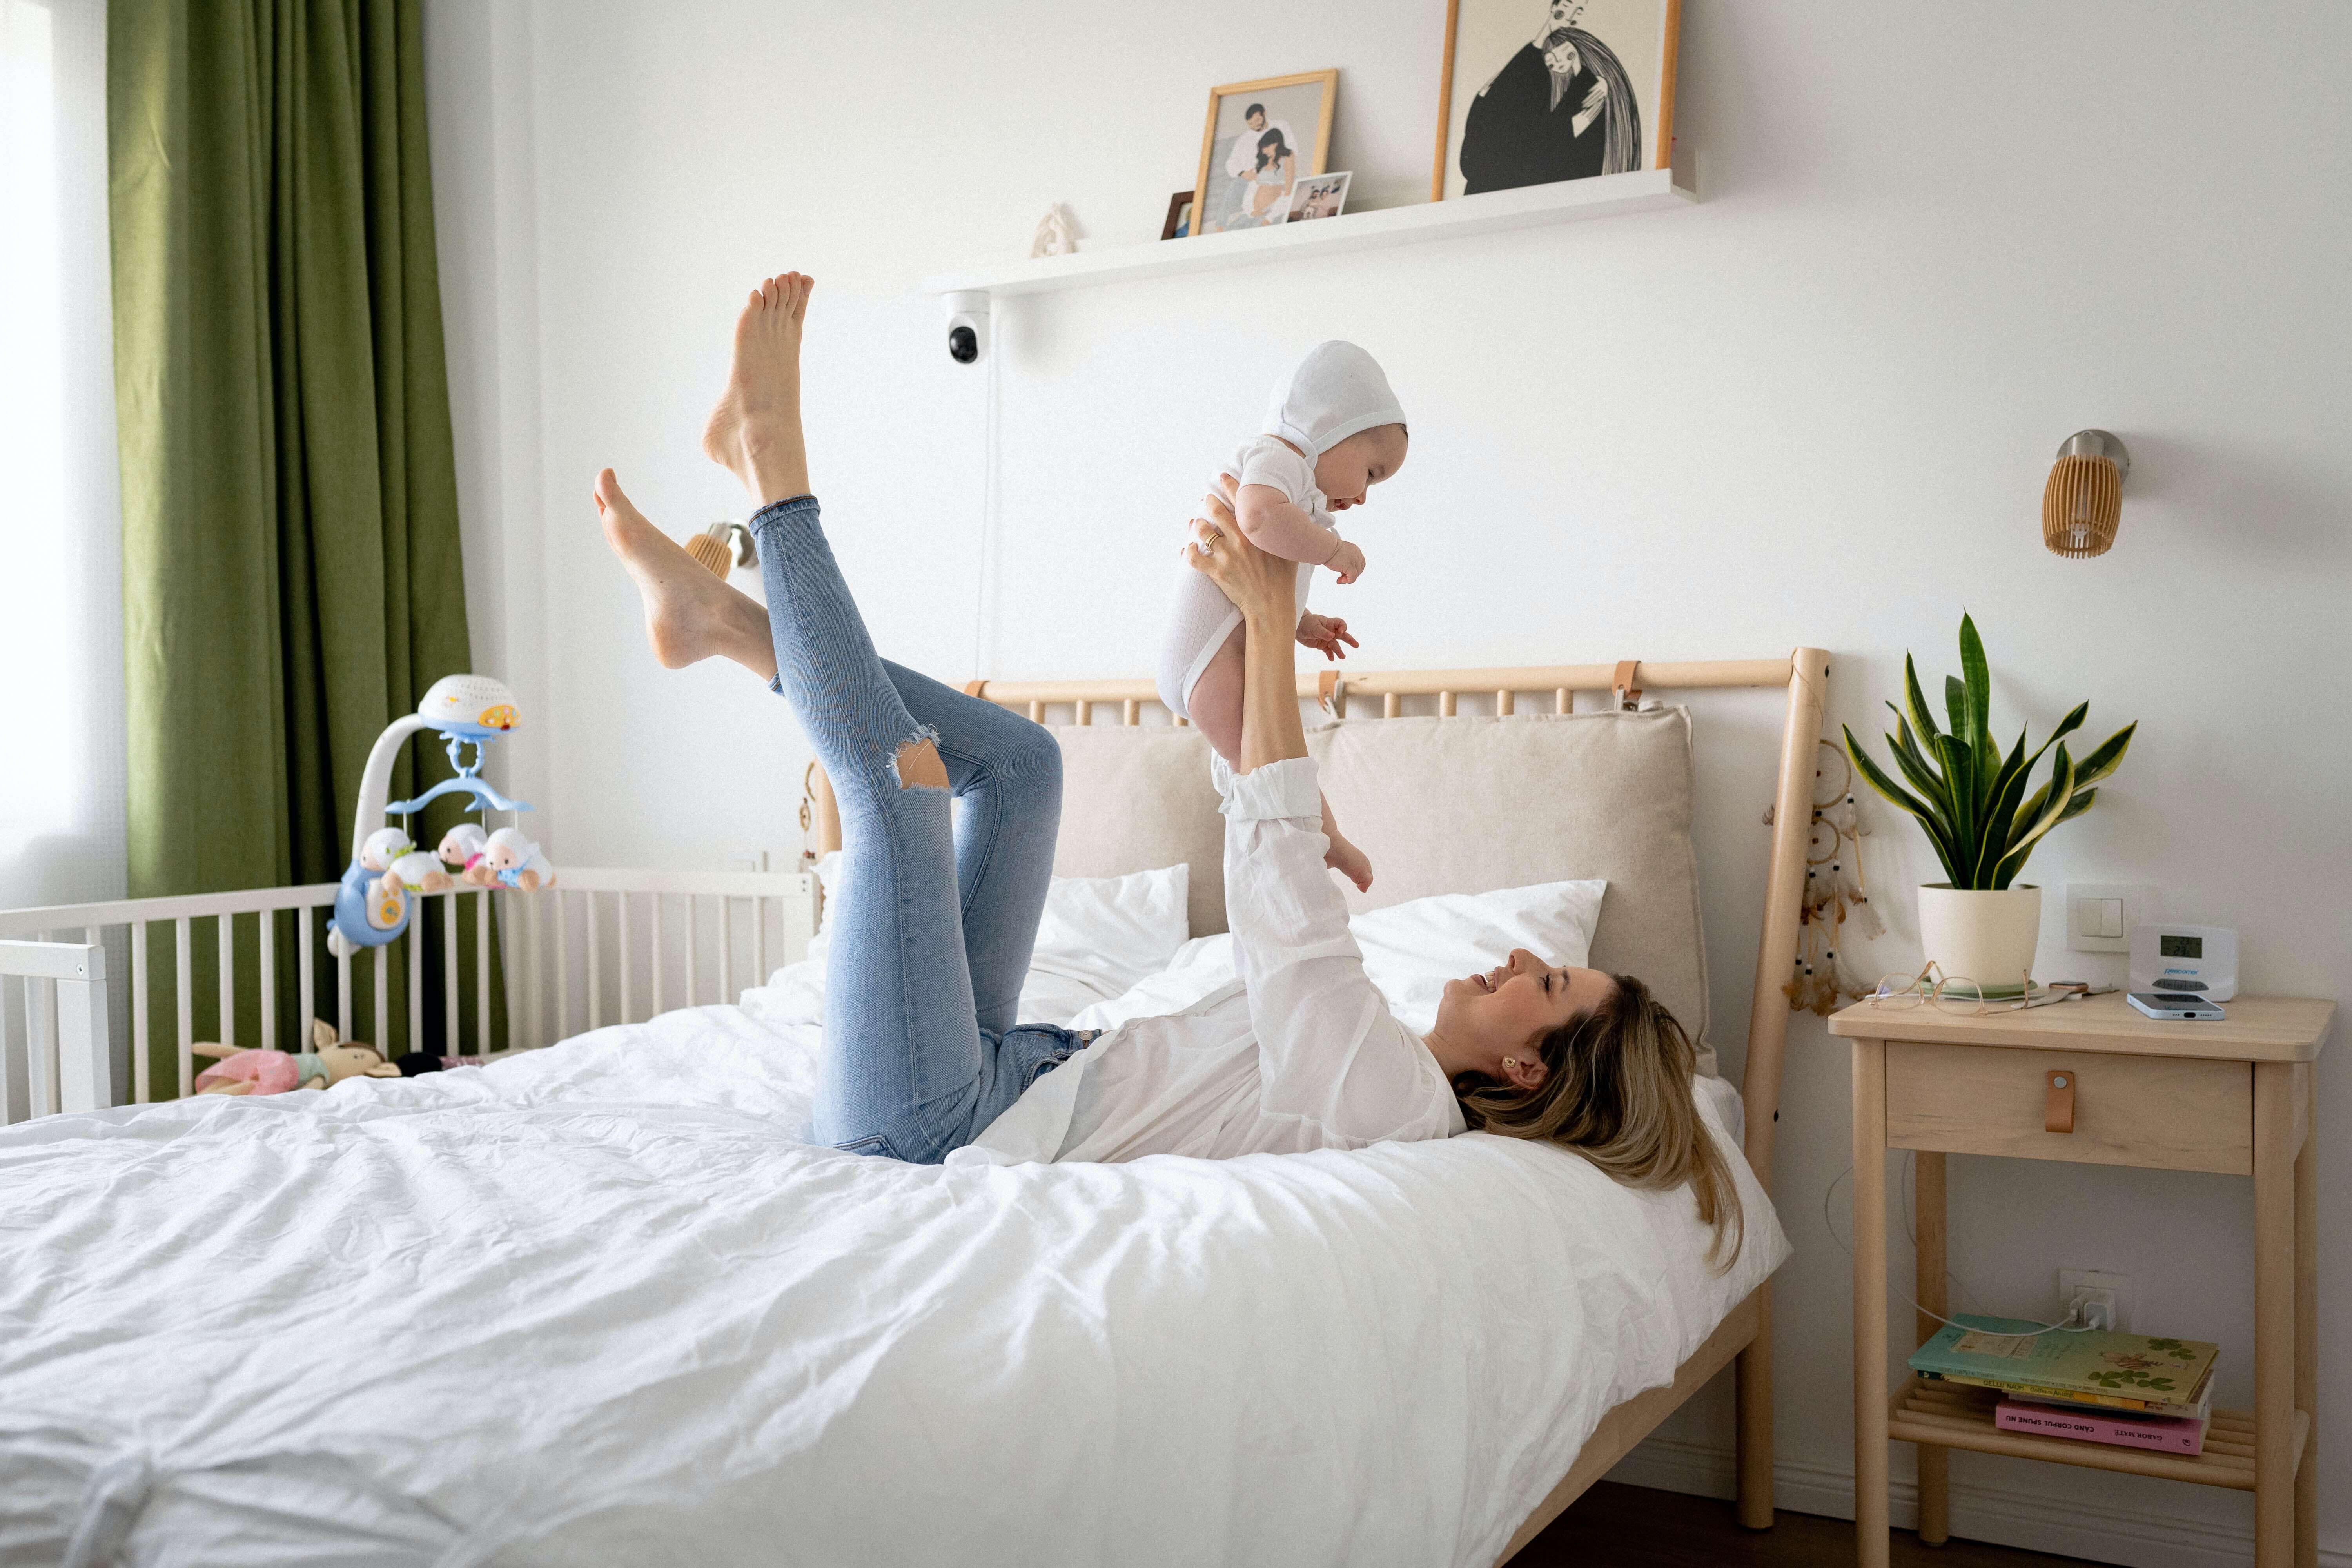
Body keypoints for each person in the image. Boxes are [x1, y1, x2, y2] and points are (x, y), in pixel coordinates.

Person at [594, 272, 1740, 1266]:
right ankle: (724, 623)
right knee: (1024, 764)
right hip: (1011, 1075)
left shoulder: (1397, 1101)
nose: (1521, 958)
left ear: (1529, 1068)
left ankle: (771, 472)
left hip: (930, 1127)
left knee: (905, 791)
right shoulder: (1385, 1054)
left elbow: (1285, 904)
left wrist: (1267, 616)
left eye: (1549, 981)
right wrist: (1261, 624)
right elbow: (1281, 866)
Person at [1154, 340, 1400, 891]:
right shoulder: (1277, 457)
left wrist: (1303, 622)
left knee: (1272, 767)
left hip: (1211, 656)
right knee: (1274, 773)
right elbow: (1258, 521)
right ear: (1333, 427)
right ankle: (1325, 838)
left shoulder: (1291, 486)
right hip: (1205, 665)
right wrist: (1334, 550)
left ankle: (1322, 835)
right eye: (1371, 471)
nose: (1365, 495)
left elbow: (1256, 577)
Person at [1459, 11, 1642, 194]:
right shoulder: (1558, 97)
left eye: (1567, 57)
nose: (1559, 67)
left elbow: (1549, 143)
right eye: (1551, 65)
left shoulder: (1590, 93)